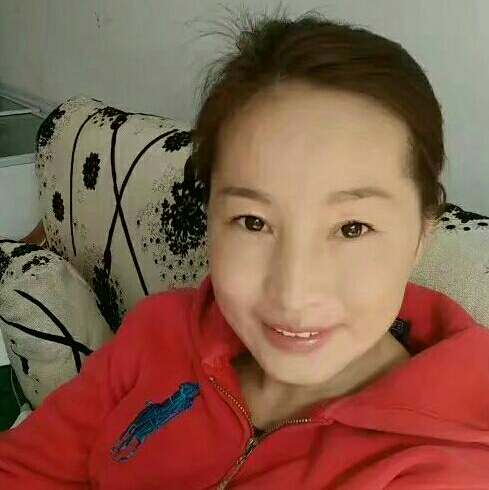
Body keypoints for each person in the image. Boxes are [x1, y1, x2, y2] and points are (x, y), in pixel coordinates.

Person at [1, 7, 489, 490]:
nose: (293, 292)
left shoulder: (443, 467)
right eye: (253, 222)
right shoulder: (159, 334)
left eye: (352, 228)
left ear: (423, 233)